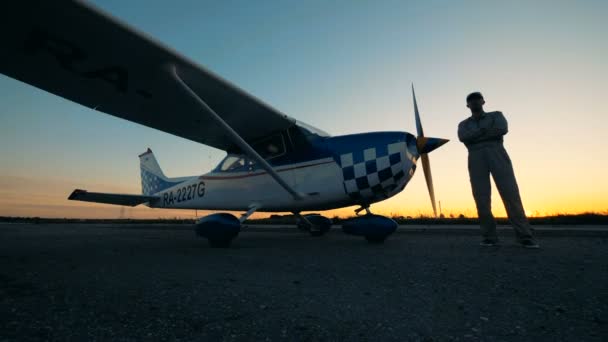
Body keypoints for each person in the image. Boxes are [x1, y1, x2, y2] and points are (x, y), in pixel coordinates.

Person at [458, 92, 539, 248]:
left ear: (483, 101)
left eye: (477, 99)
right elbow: (463, 137)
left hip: (497, 152)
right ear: (467, 105)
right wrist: (485, 132)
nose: (474, 102)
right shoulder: (463, 124)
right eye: (470, 101)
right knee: (481, 196)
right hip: (475, 156)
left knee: (510, 193)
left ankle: (524, 236)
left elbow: (501, 129)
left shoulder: (496, 115)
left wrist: (476, 136)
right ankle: (489, 237)